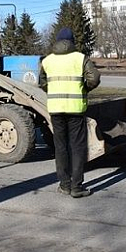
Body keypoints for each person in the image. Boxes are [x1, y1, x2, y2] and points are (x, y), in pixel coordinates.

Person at [38, 27, 101, 198]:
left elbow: (42, 82)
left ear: (57, 41)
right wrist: (84, 89)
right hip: (75, 109)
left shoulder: (47, 60)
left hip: (56, 110)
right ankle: (77, 187)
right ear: (72, 41)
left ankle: (64, 185)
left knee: (60, 147)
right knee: (77, 147)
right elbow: (94, 78)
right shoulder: (80, 58)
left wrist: (53, 90)